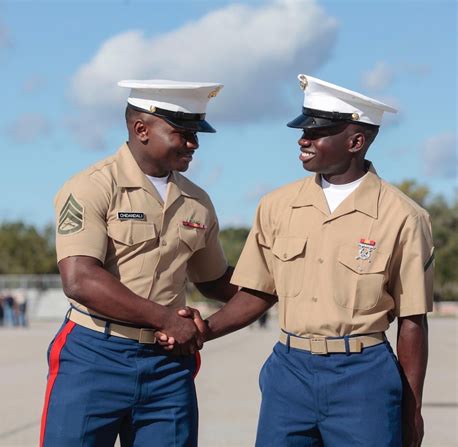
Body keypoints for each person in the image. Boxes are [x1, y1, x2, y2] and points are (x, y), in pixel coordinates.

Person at [162, 74, 434, 446]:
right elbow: (258, 293)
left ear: (356, 141)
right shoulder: (277, 206)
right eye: (303, 129)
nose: (303, 139)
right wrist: (203, 330)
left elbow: (413, 321)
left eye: (317, 132)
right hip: (289, 373)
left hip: (362, 376)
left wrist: (412, 408)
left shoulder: (403, 217)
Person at [40, 79, 237, 447]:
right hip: (95, 354)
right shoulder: (92, 186)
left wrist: (278, 283)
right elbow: (80, 279)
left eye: (197, 133)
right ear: (141, 129)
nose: (194, 143)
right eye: (182, 132)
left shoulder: (197, 201)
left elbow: (214, 280)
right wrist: (165, 319)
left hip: (167, 365)